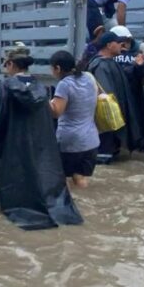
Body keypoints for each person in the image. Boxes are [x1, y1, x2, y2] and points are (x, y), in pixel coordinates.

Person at [0, 47, 83, 230]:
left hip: (11, 149)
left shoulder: (4, 86)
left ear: (11, 64)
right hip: (35, 147)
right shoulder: (40, 86)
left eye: (6, 64)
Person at [88, 32, 144, 162]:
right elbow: (105, 100)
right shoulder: (100, 65)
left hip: (113, 123)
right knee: (105, 154)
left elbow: (125, 76)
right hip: (106, 126)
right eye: (118, 42)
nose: (121, 45)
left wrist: (137, 66)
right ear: (109, 45)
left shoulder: (110, 62)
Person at [49, 50, 99, 189]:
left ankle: (71, 202)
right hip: (91, 141)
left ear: (58, 68)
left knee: (62, 181)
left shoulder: (64, 84)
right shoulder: (88, 77)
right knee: (80, 178)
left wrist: (43, 100)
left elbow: (56, 112)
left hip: (71, 142)